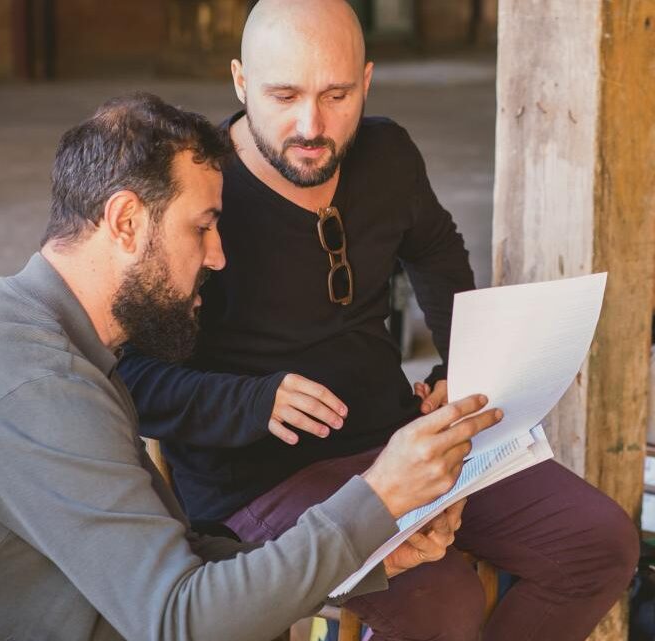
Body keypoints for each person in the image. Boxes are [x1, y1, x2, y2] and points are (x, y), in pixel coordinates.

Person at [0, 93, 503, 641]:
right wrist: (375, 496)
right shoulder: (33, 387)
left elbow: (179, 564)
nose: (218, 257)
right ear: (128, 222)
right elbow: (179, 618)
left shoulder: (49, 335)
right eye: (202, 228)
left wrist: (371, 547)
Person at [118, 2, 640, 640]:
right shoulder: (195, 194)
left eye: (336, 94)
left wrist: (461, 368)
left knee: (598, 543)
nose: (311, 125)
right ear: (240, 83)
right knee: (440, 601)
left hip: (394, 439)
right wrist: (253, 401)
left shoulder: (386, 153)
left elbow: (438, 253)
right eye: (283, 95)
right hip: (260, 479)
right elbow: (129, 379)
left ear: (366, 81)